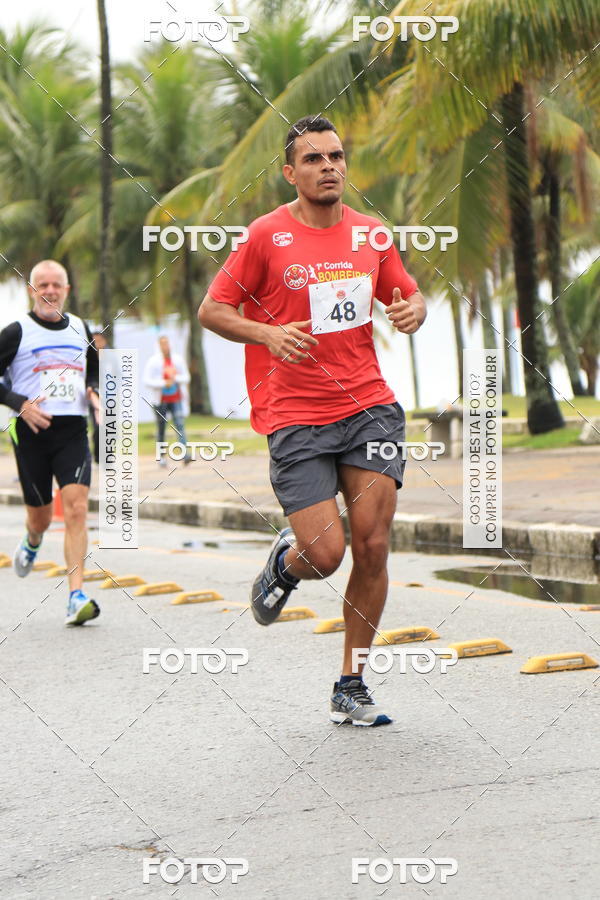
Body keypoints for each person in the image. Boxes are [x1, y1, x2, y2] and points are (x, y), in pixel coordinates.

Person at [199, 115, 427, 726]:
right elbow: (212, 310)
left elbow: (406, 293)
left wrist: (415, 310)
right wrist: (267, 333)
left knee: (373, 545)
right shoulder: (264, 236)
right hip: (294, 413)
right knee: (325, 553)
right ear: (290, 172)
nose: (329, 166)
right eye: (314, 159)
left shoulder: (372, 235)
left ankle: (350, 682)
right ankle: (287, 563)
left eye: (337, 155)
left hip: (368, 407)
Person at [0, 259, 101, 625]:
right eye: (42, 285)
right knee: (41, 518)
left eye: (56, 284)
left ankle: (76, 595)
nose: (50, 291)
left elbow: (93, 364)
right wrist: (20, 404)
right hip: (31, 434)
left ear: (67, 290)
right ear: (32, 290)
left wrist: (92, 389)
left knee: (75, 509)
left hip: (72, 430)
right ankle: (31, 539)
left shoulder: (79, 327)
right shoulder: (16, 332)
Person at [143, 335, 191, 466]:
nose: (165, 346)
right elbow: (146, 380)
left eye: (167, 343)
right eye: (162, 344)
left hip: (176, 398)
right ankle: (162, 457)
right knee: (161, 429)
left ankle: (184, 454)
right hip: (160, 401)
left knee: (180, 425)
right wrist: (164, 383)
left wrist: (175, 379)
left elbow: (186, 377)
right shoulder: (153, 361)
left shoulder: (178, 359)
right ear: (158, 346)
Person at [91, 331, 108, 464]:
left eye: (99, 341)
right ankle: (98, 456)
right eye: (94, 341)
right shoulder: (88, 361)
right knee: (98, 426)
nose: (97, 344)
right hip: (95, 399)